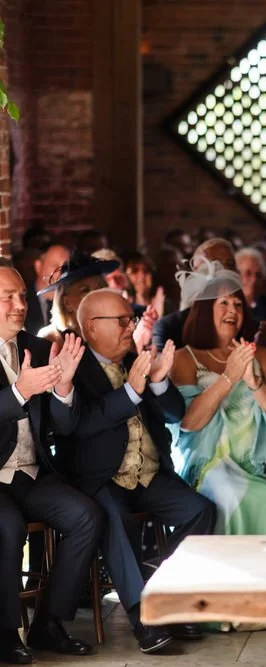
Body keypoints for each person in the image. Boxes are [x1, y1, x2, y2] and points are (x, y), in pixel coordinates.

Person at [55, 289, 217, 654]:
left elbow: (176, 414)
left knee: (201, 510)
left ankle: (158, 586)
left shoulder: (136, 359)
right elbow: (77, 426)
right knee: (114, 519)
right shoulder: (74, 367)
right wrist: (130, 391)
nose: (131, 326)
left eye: (131, 318)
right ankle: (143, 618)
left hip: (149, 474)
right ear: (92, 328)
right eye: (122, 320)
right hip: (99, 478)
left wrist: (158, 379)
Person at [0, 261, 102, 664]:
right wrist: (17, 392)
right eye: (7, 297)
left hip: (32, 474)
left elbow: (64, 427)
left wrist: (63, 388)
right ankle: (7, 632)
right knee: (7, 529)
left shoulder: (38, 348)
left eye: (22, 296)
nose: (18, 304)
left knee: (87, 516)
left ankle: (49, 622)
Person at [169, 261, 266, 536]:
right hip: (209, 460)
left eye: (238, 305)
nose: (233, 311)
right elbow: (189, 422)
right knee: (230, 493)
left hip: (256, 458)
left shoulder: (259, 354)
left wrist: (253, 382)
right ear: (205, 310)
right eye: (224, 303)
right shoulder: (184, 358)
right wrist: (229, 377)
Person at [26, 243, 69, 335]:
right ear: (38, 267)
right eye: (55, 266)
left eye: (65, 267)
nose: (61, 272)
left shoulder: (72, 301)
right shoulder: (23, 300)